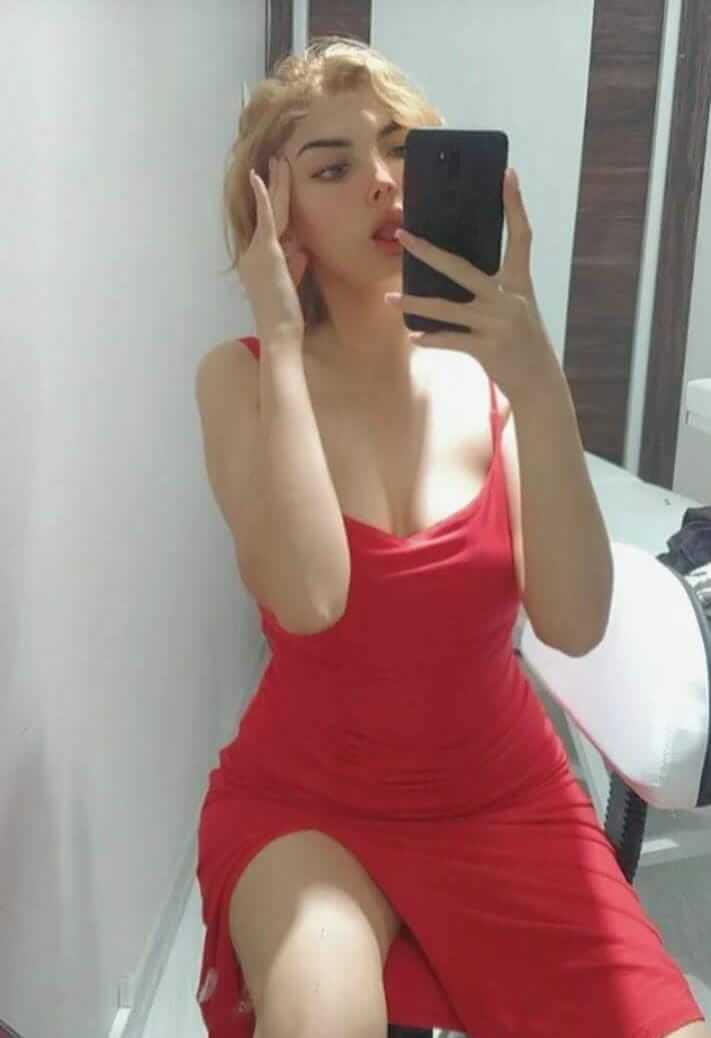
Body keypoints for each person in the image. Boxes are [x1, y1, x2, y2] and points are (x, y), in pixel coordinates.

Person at [193, 35, 707, 1038]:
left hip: (503, 796)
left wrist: (537, 376)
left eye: (400, 149)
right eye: (332, 167)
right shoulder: (241, 377)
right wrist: (283, 336)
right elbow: (308, 598)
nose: (382, 181)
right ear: (275, 213)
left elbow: (574, 621)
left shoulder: (491, 381)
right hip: (306, 805)